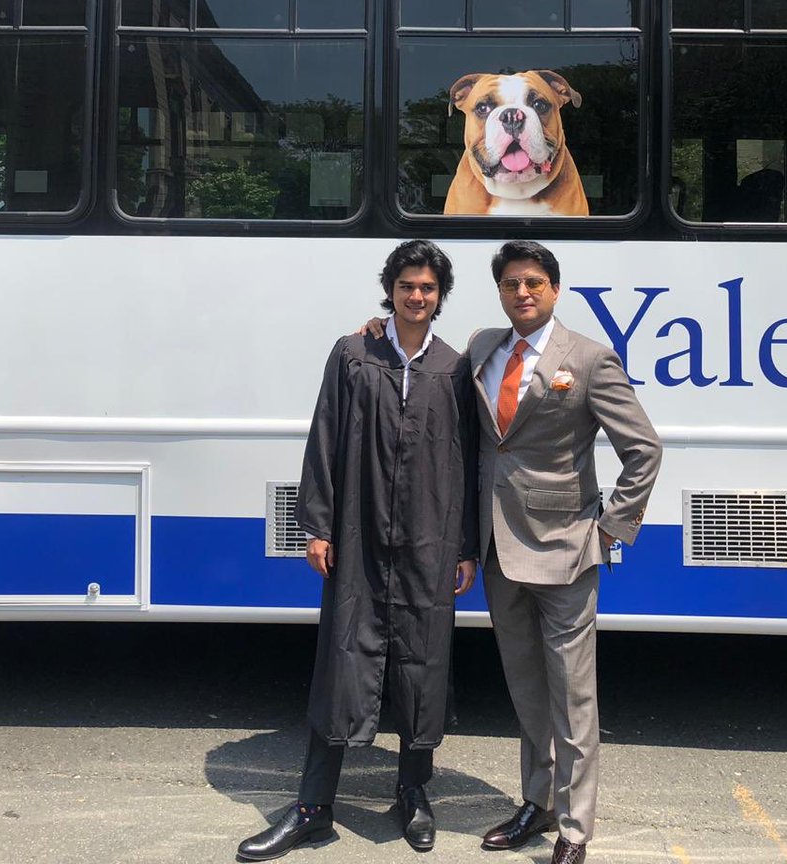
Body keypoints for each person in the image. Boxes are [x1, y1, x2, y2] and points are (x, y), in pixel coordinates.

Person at [362, 239, 662, 864]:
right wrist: (375, 327)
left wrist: (610, 529)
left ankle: (575, 830)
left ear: (554, 288)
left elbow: (644, 450)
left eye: (533, 283)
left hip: (565, 551)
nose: (522, 293)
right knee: (527, 692)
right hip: (499, 550)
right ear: (499, 292)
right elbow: (416, 347)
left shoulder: (588, 359)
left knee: (574, 699)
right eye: (510, 285)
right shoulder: (482, 348)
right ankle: (538, 802)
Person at [236, 239, 479, 862]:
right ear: (390, 291)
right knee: (341, 666)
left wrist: (466, 546)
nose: (417, 297)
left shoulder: (454, 369)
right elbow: (324, 439)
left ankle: (414, 793)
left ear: (439, 297)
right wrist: (315, 523)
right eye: (407, 286)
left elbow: (469, 464)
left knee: (423, 666)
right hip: (356, 535)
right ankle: (313, 807)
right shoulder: (352, 354)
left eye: (427, 288)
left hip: (429, 540)